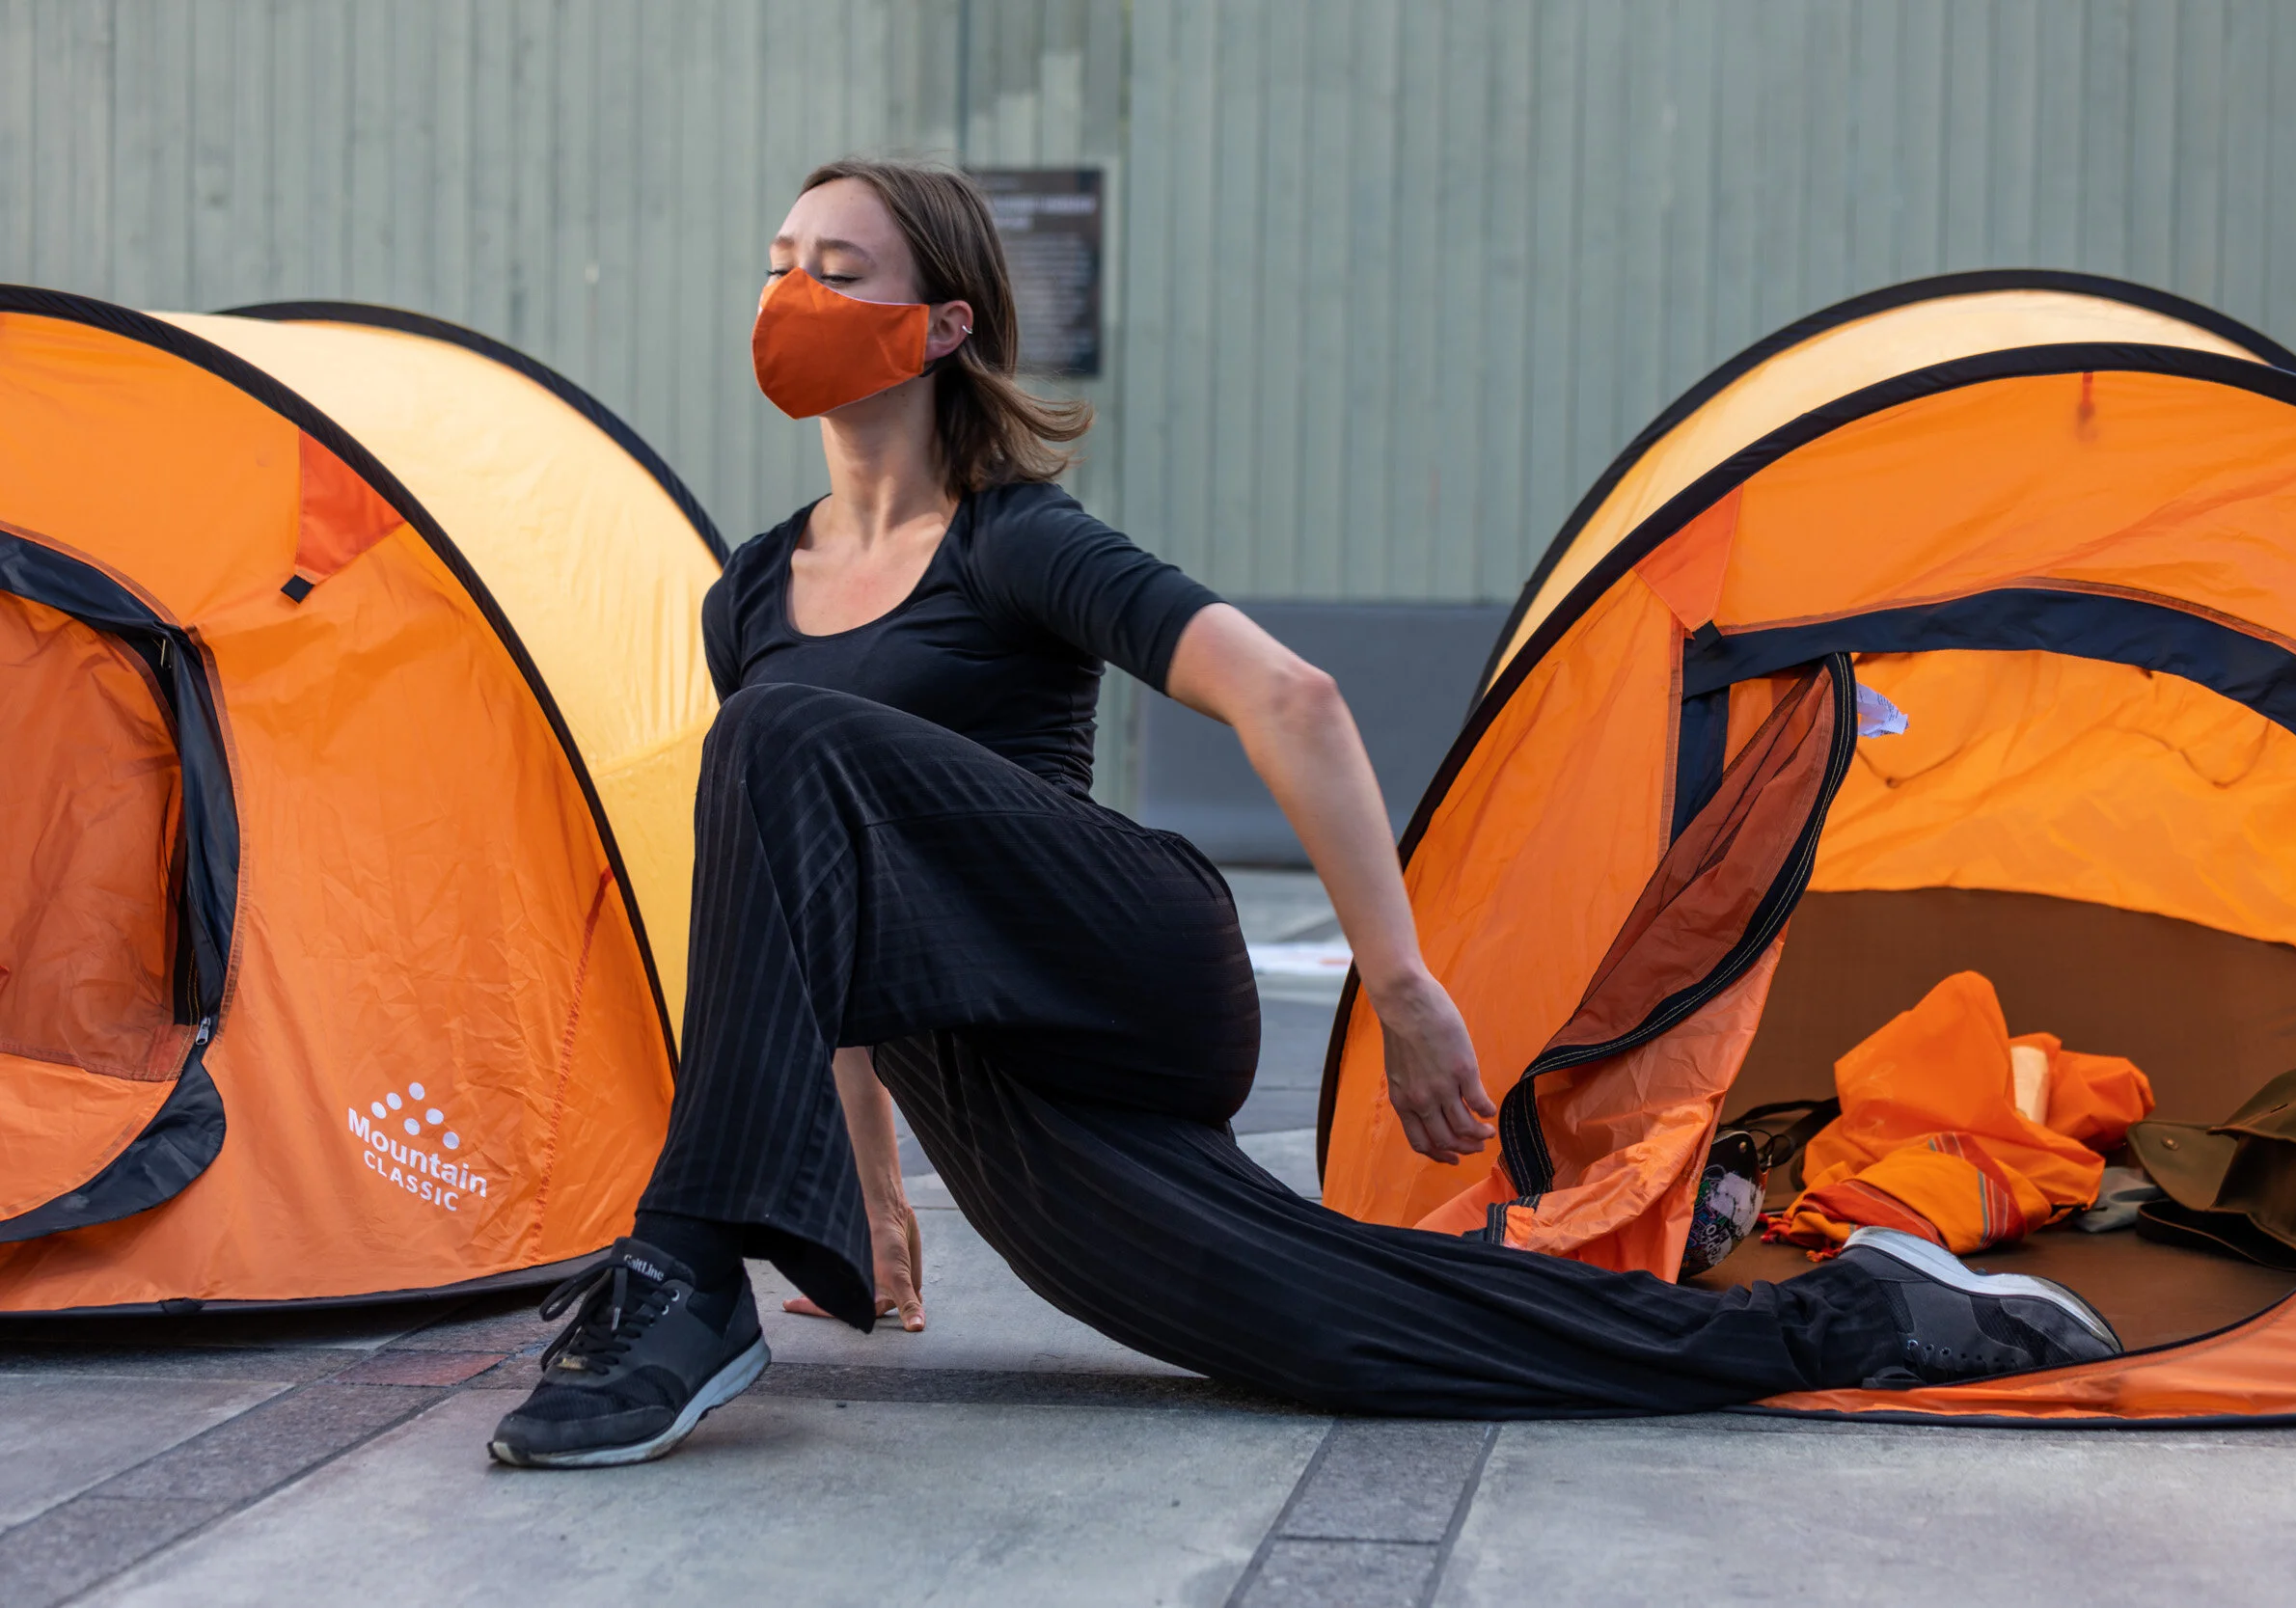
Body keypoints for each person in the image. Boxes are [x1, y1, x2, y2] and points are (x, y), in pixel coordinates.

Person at [486, 158, 2118, 1469]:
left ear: (940, 325)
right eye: (779, 259)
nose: (790, 292)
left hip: (1118, 966)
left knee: (777, 730)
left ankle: (685, 1272)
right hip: (989, 1060)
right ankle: (1868, 1314)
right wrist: (872, 1194)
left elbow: (1296, 699)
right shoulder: (751, 593)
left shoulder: (1013, 540)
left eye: (838, 269)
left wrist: (1401, 987)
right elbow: (805, 921)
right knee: (1338, 1328)